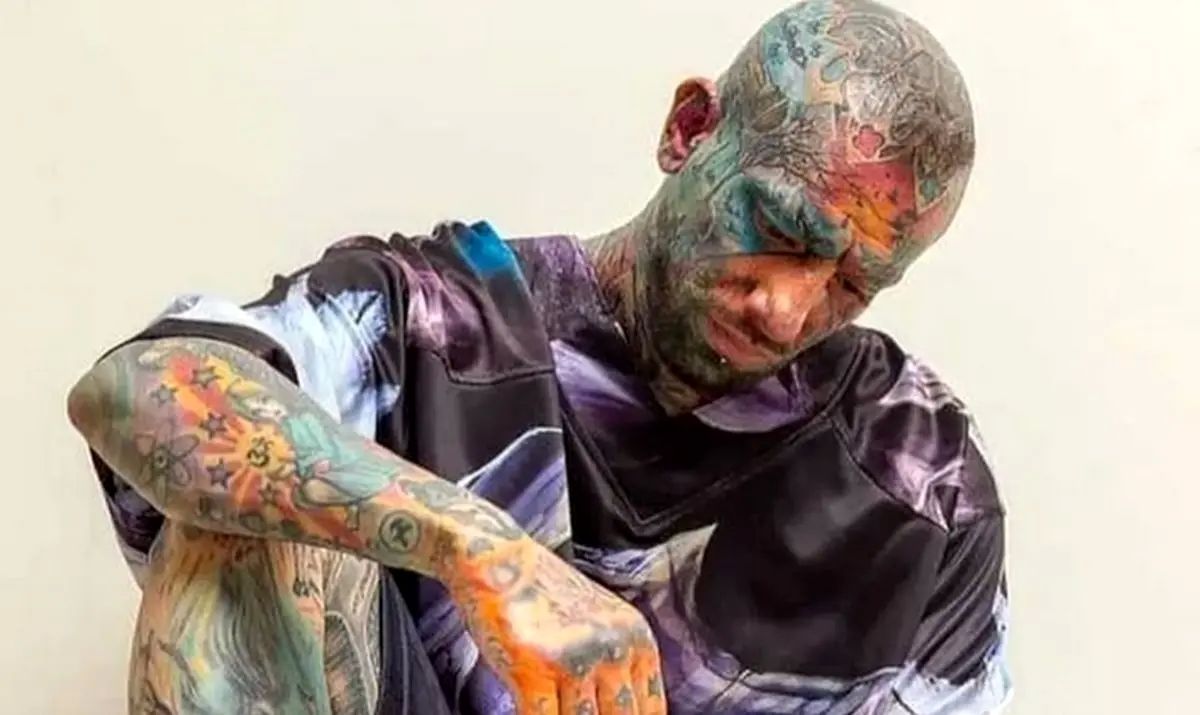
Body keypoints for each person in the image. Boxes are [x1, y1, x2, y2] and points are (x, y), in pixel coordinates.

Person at [67, 0, 1012, 712]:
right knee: (236, 527)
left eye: (852, 284)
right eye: (779, 226)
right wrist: (477, 544)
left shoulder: (920, 475)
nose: (787, 310)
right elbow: (141, 386)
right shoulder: (437, 316)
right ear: (689, 131)